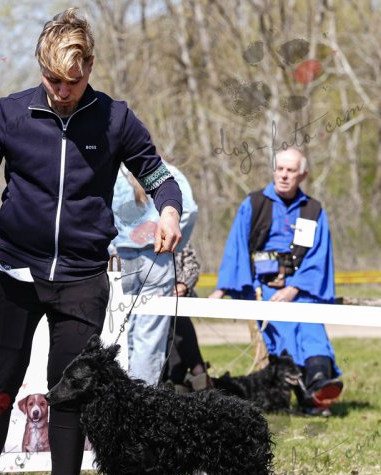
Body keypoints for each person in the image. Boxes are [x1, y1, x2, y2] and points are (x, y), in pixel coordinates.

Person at [0, 8, 182, 475]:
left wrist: (169, 211)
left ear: (90, 69)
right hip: (15, 273)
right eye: (52, 80)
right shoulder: (9, 114)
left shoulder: (115, 119)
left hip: (83, 278)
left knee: (69, 394)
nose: (63, 92)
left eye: (73, 82)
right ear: (40, 69)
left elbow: (160, 177)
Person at [209, 148, 342, 415]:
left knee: (311, 326)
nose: (283, 175)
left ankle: (318, 383)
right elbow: (236, 247)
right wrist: (222, 288)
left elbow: (318, 257)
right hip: (263, 288)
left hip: (301, 287)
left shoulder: (313, 210)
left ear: (302, 174)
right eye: (279, 169)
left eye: (290, 170)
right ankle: (309, 396)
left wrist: (294, 288)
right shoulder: (254, 203)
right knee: (285, 327)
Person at [111, 162, 197, 385]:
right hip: (157, 259)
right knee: (149, 337)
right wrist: (174, 244)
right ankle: (141, 395)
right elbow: (189, 211)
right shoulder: (166, 171)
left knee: (117, 332)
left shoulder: (112, 170)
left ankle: (118, 392)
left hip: (119, 260)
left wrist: (110, 247)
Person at [164, 242, 212, 392]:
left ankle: (179, 381)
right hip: (151, 296)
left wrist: (183, 285)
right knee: (174, 321)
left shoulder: (179, 235)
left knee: (176, 318)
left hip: (180, 297)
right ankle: (198, 372)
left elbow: (192, 265)